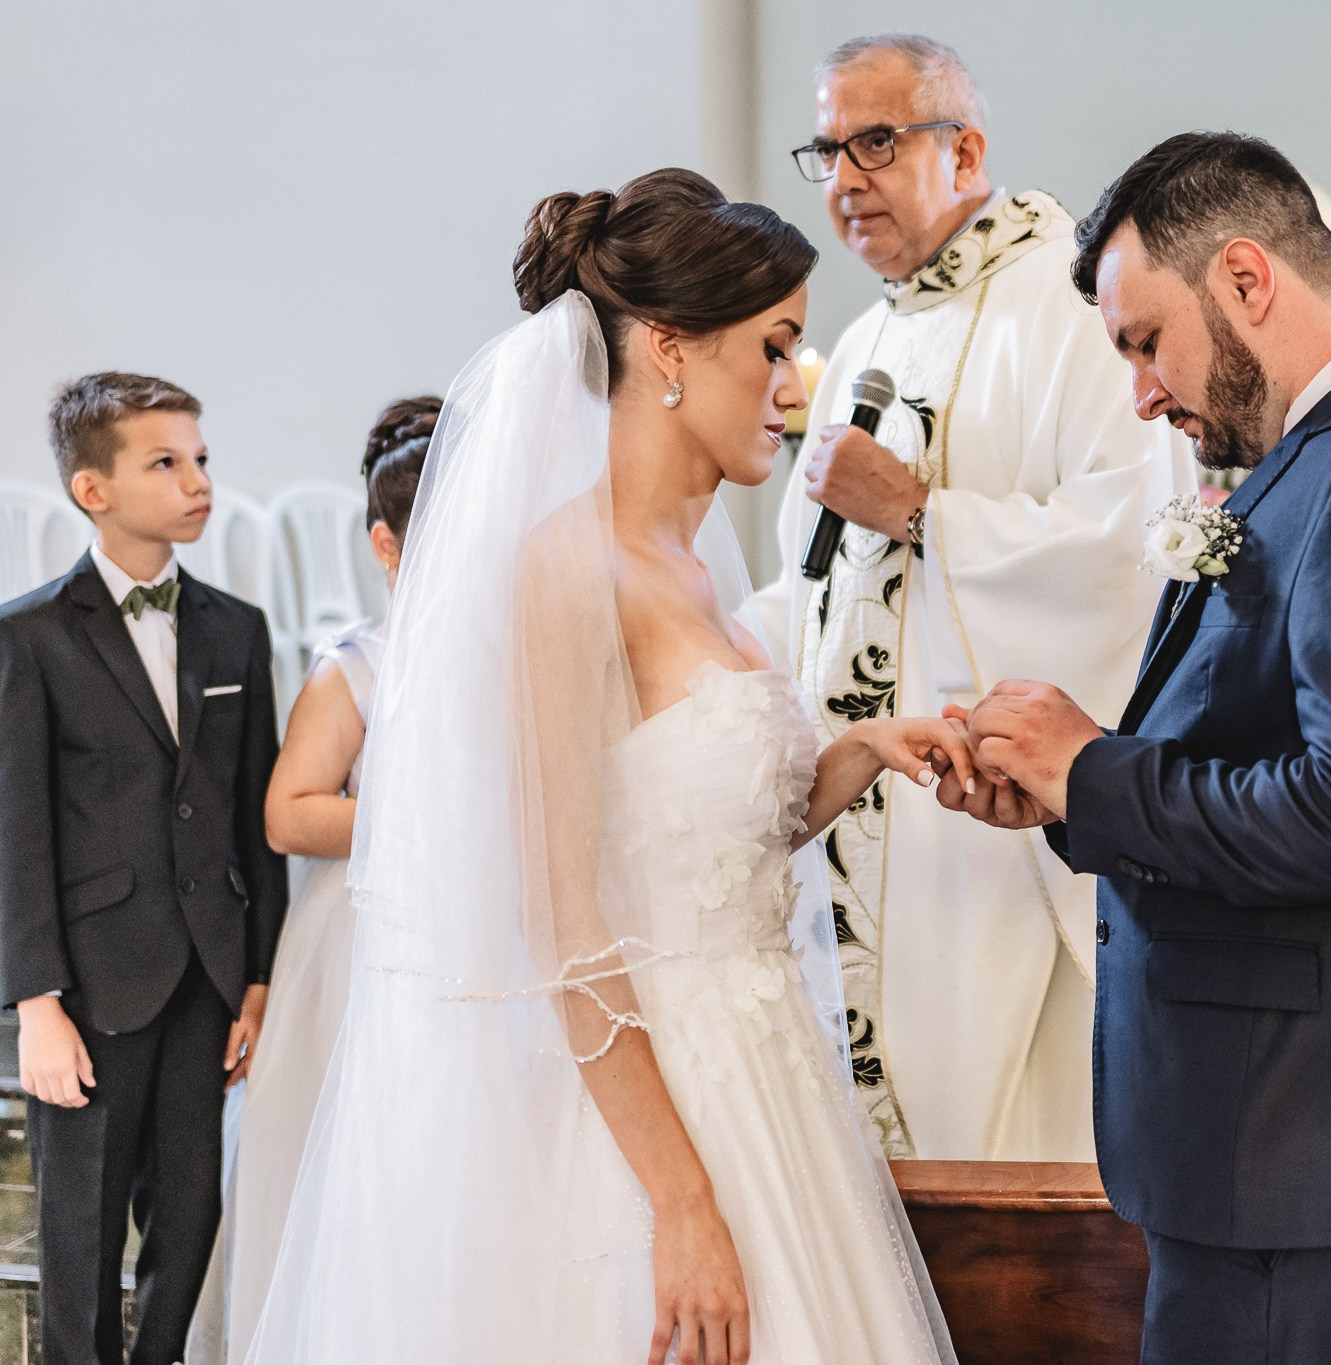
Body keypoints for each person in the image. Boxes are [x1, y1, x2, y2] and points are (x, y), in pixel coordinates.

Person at [245, 170, 960, 1365]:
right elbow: (562, 920)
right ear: (670, 350)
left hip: (764, 1073)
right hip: (640, 1104)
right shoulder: (567, 571)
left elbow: (704, 841)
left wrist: (862, 751)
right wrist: (681, 1206)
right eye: (775, 348)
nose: (795, 390)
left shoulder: (690, 566)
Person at [941, 134, 1331, 1363]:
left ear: (1242, 279)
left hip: (1318, 1145)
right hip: (1293, 1142)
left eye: (1143, 341)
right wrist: (1076, 797)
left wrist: (1094, 769)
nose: (1140, 393)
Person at [753, 33, 1193, 1161]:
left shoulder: (1065, 303)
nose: (845, 179)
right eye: (827, 151)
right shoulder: (860, 338)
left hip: (980, 821)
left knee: (1001, 1138)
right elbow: (816, 594)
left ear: (968, 149)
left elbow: (1130, 549)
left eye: (875, 142)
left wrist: (920, 515)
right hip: (868, 813)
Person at [0, 373, 288, 1365]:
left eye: (200, 458)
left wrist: (258, 975)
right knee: (78, 1234)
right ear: (94, 489)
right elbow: (16, 830)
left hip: (207, 981)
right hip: (87, 987)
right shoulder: (28, 636)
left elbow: (255, 818)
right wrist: (34, 1001)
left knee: (191, 1221)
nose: (197, 480)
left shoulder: (234, 629)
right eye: (165, 462)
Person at [186, 396, 437, 1365]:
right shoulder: (354, 667)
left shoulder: (512, 653)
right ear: (386, 544)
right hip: (356, 946)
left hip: (460, 932)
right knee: (342, 1163)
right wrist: (423, 827)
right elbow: (290, 812)